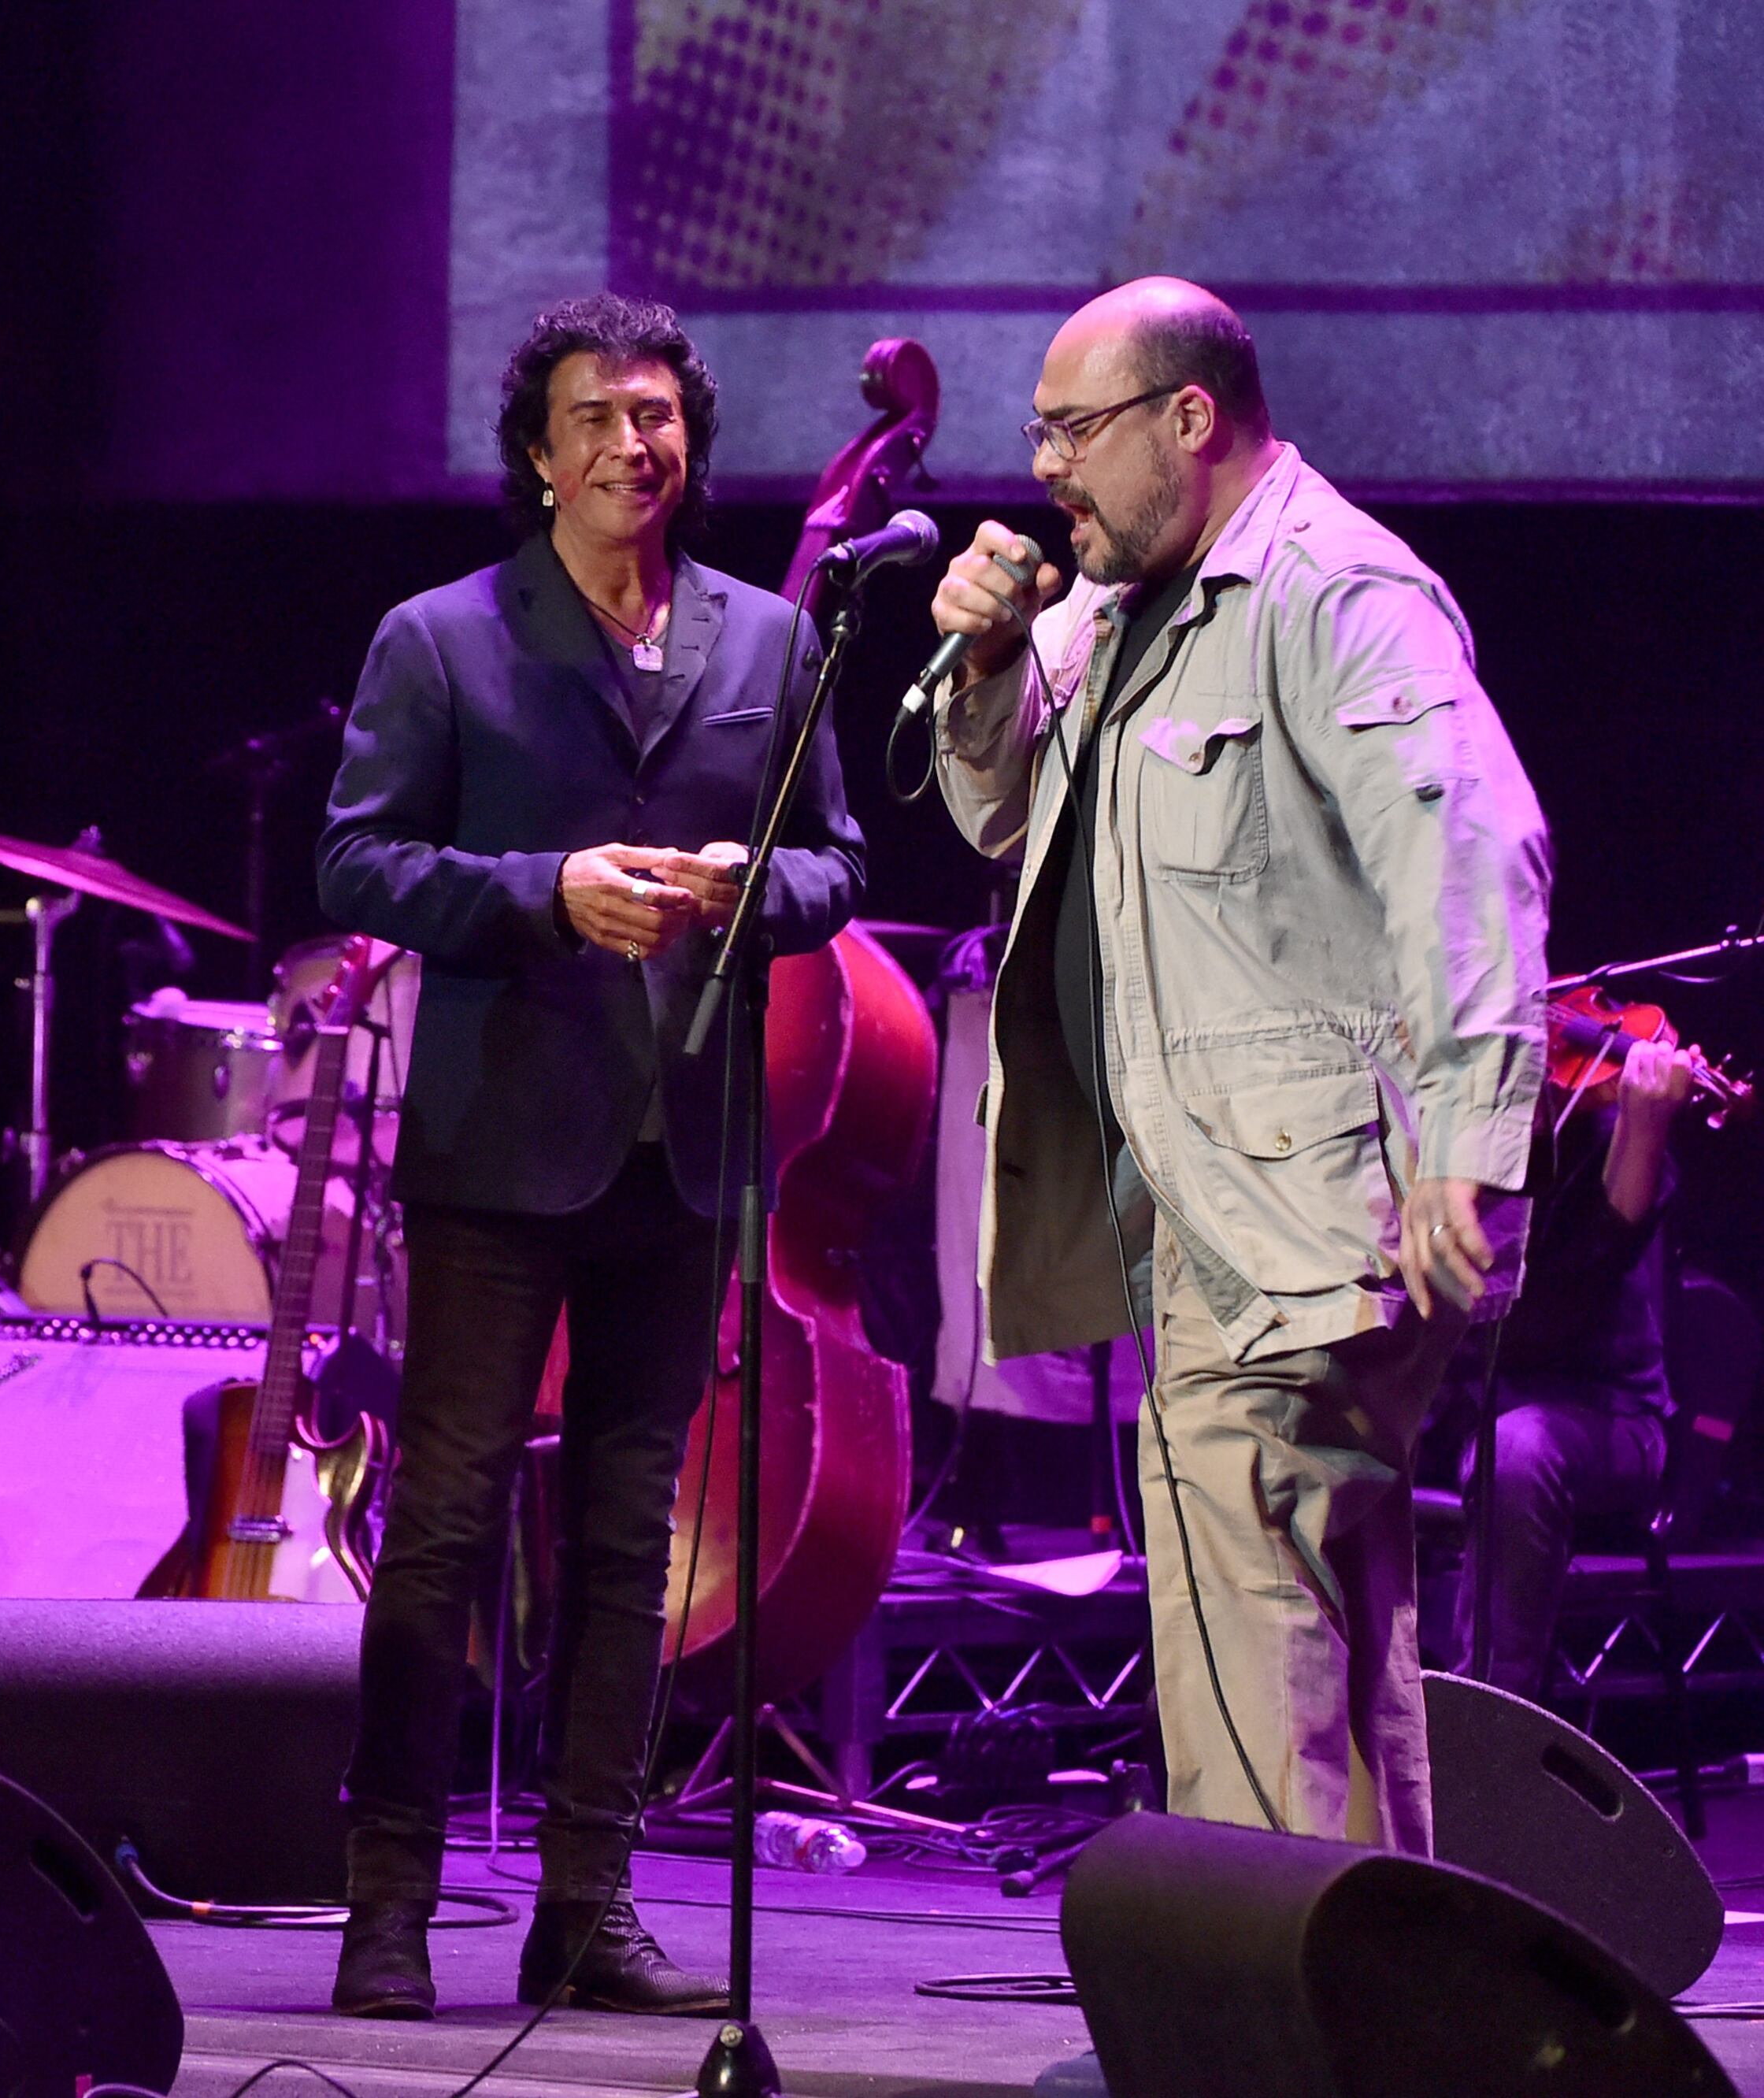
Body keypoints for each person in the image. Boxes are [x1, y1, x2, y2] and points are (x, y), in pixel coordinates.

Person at [925, 278, 1549, 1849]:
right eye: (1039, 433)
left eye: (1075, 430)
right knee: (1330, 1623)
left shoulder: (1335, 594)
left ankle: (1273, 2017)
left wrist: (1475, 1137)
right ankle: (1389, 2008)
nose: (1046, 468)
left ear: (1188, 419)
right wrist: (989, 668)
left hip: (1314, 1218)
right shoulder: (1120, 608)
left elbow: (1468, 848)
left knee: (1247, 1636)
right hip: (1218, 1212)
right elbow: (996, 816)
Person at [316, 293, 865, 2019]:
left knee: (635, 1534)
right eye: (599, 416)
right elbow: (357, 869)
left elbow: (838, 863)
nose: (638, 442)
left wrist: (742, 890)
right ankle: (389, 1906)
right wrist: (542, 892)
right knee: (450, 1521)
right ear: (540, 454)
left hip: (686, 1145)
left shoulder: (771, 643)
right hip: (499, 1144)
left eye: (660, 414)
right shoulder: (443, 637)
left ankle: (589, 1901)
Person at [1448, 1035, 1694, 1698]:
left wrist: (1645, 1128)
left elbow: (1581, 1283)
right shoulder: (1434, 1140)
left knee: (1517, 1452)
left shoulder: (1597, 1128)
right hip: (1454, 1421)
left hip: (1607, 1421)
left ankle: (1488, 1749)